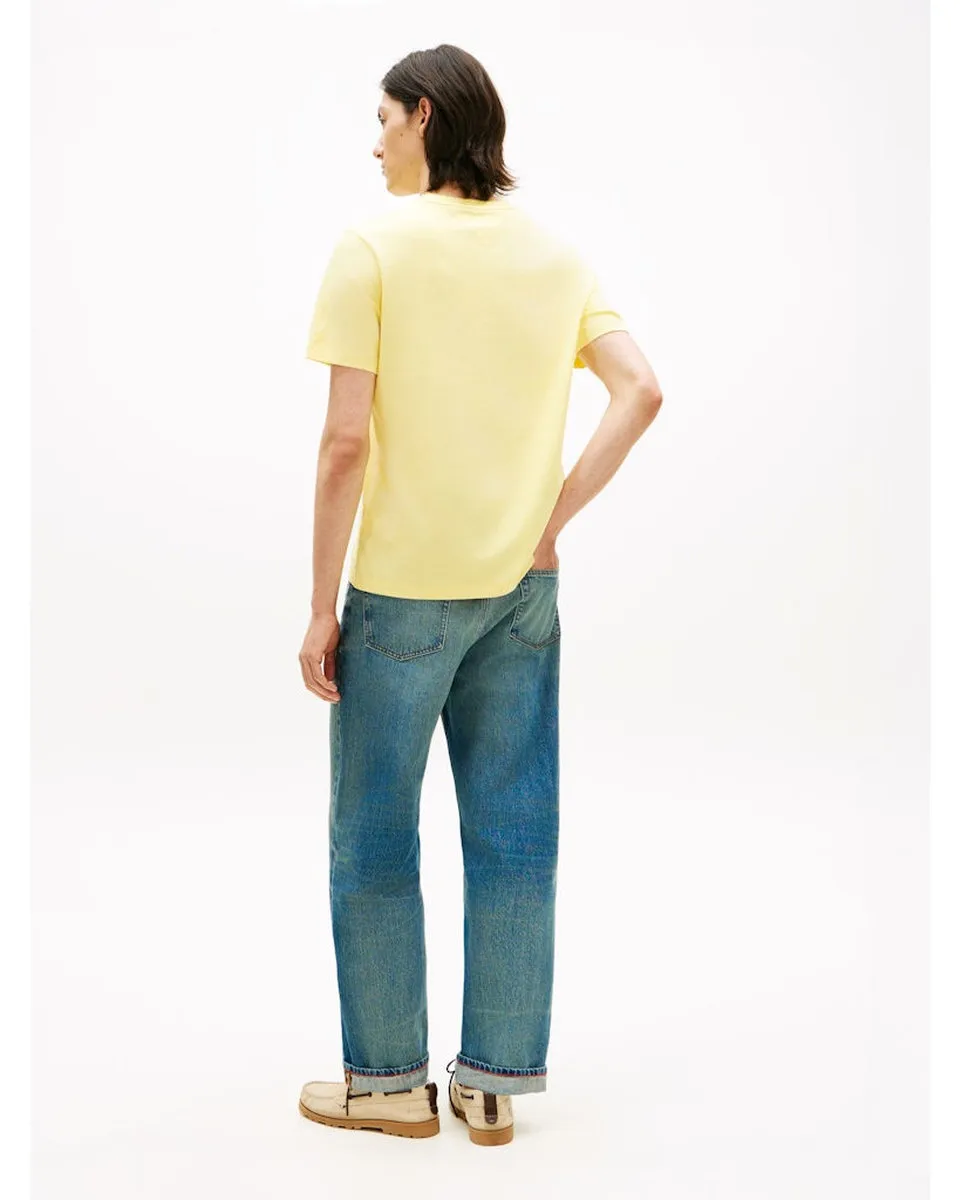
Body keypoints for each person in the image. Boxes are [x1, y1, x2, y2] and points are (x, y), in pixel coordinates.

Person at [296, 43, 662, 1146]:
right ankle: (493, 1084)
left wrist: (319, 607)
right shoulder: (554, 253)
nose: (373, 146)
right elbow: (640, 390)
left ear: (422, 115)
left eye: (381, 121)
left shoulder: (372, 247)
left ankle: (387, 1084)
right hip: (520, 592)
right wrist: (549, 522)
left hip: (403, 596)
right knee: (513, 833)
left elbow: (345, 444)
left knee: (374, 838)